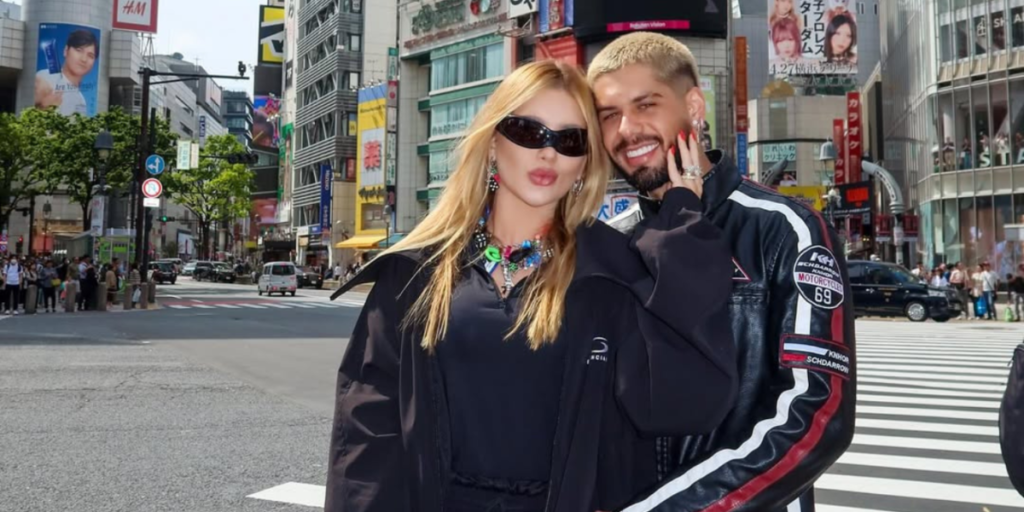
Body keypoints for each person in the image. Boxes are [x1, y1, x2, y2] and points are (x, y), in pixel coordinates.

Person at [324, 60, 738, 512]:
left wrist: (680, 229)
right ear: (492, 143)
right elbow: (366, 429)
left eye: (569, 139)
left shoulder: (614, 272)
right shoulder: (416, 270)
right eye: (528, 131)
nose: (548, 153)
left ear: (584, 163)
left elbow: (686, 403)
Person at [590, 32, 855, 512]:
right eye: (609, 115)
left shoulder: (785, 228)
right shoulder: (611, 239)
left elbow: (816, 411)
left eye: (646, 105)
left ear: (693, 106)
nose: (626, 129)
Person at [34, 29, 98, 116]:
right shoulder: (44, 78)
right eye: (79, 50)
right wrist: (44, 108)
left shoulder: (81, 101)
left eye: (90, 55)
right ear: (66, 51)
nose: (84, 59)